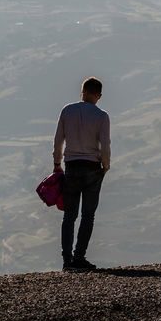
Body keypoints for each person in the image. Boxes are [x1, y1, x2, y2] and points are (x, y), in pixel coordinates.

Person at [53, 77, 110, 271]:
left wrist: (56, 163)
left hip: (71, 166)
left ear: (82, 91)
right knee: (88, 215)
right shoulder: (102, 116)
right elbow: (105, 145)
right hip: (93, 168)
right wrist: (106, 166)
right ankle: (79, 257)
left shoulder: (67, 111)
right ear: (99, 96)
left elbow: (58, 140)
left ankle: (67, 260)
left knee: (69, 216)